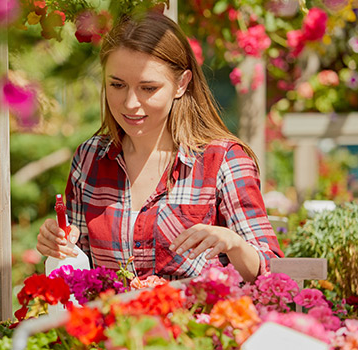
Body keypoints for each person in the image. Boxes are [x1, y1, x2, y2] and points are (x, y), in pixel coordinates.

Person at [36, 11, 283, 282]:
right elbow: (76, 266)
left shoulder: (223, 160)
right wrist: (58, 244)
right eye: (117, 85)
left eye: (148, 88)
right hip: (109, 323)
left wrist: (233, 242)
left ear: (181, 84)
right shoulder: (90, 157)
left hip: (193, 323)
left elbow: (269, 269)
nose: (130, 102)